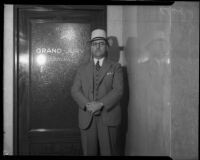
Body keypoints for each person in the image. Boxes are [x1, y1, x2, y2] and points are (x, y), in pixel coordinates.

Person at [71, 28, 123, 156]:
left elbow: (118, 90)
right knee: (89, 152)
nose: (98, 47)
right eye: (95, 44)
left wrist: (100, 104)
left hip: (108, 116)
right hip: (87, 116)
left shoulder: (115, 66)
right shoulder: (82, 68)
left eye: (101, 43)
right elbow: (74, 90)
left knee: (109, 152)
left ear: (106, 47)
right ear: (91, 47)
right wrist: (88, 105)